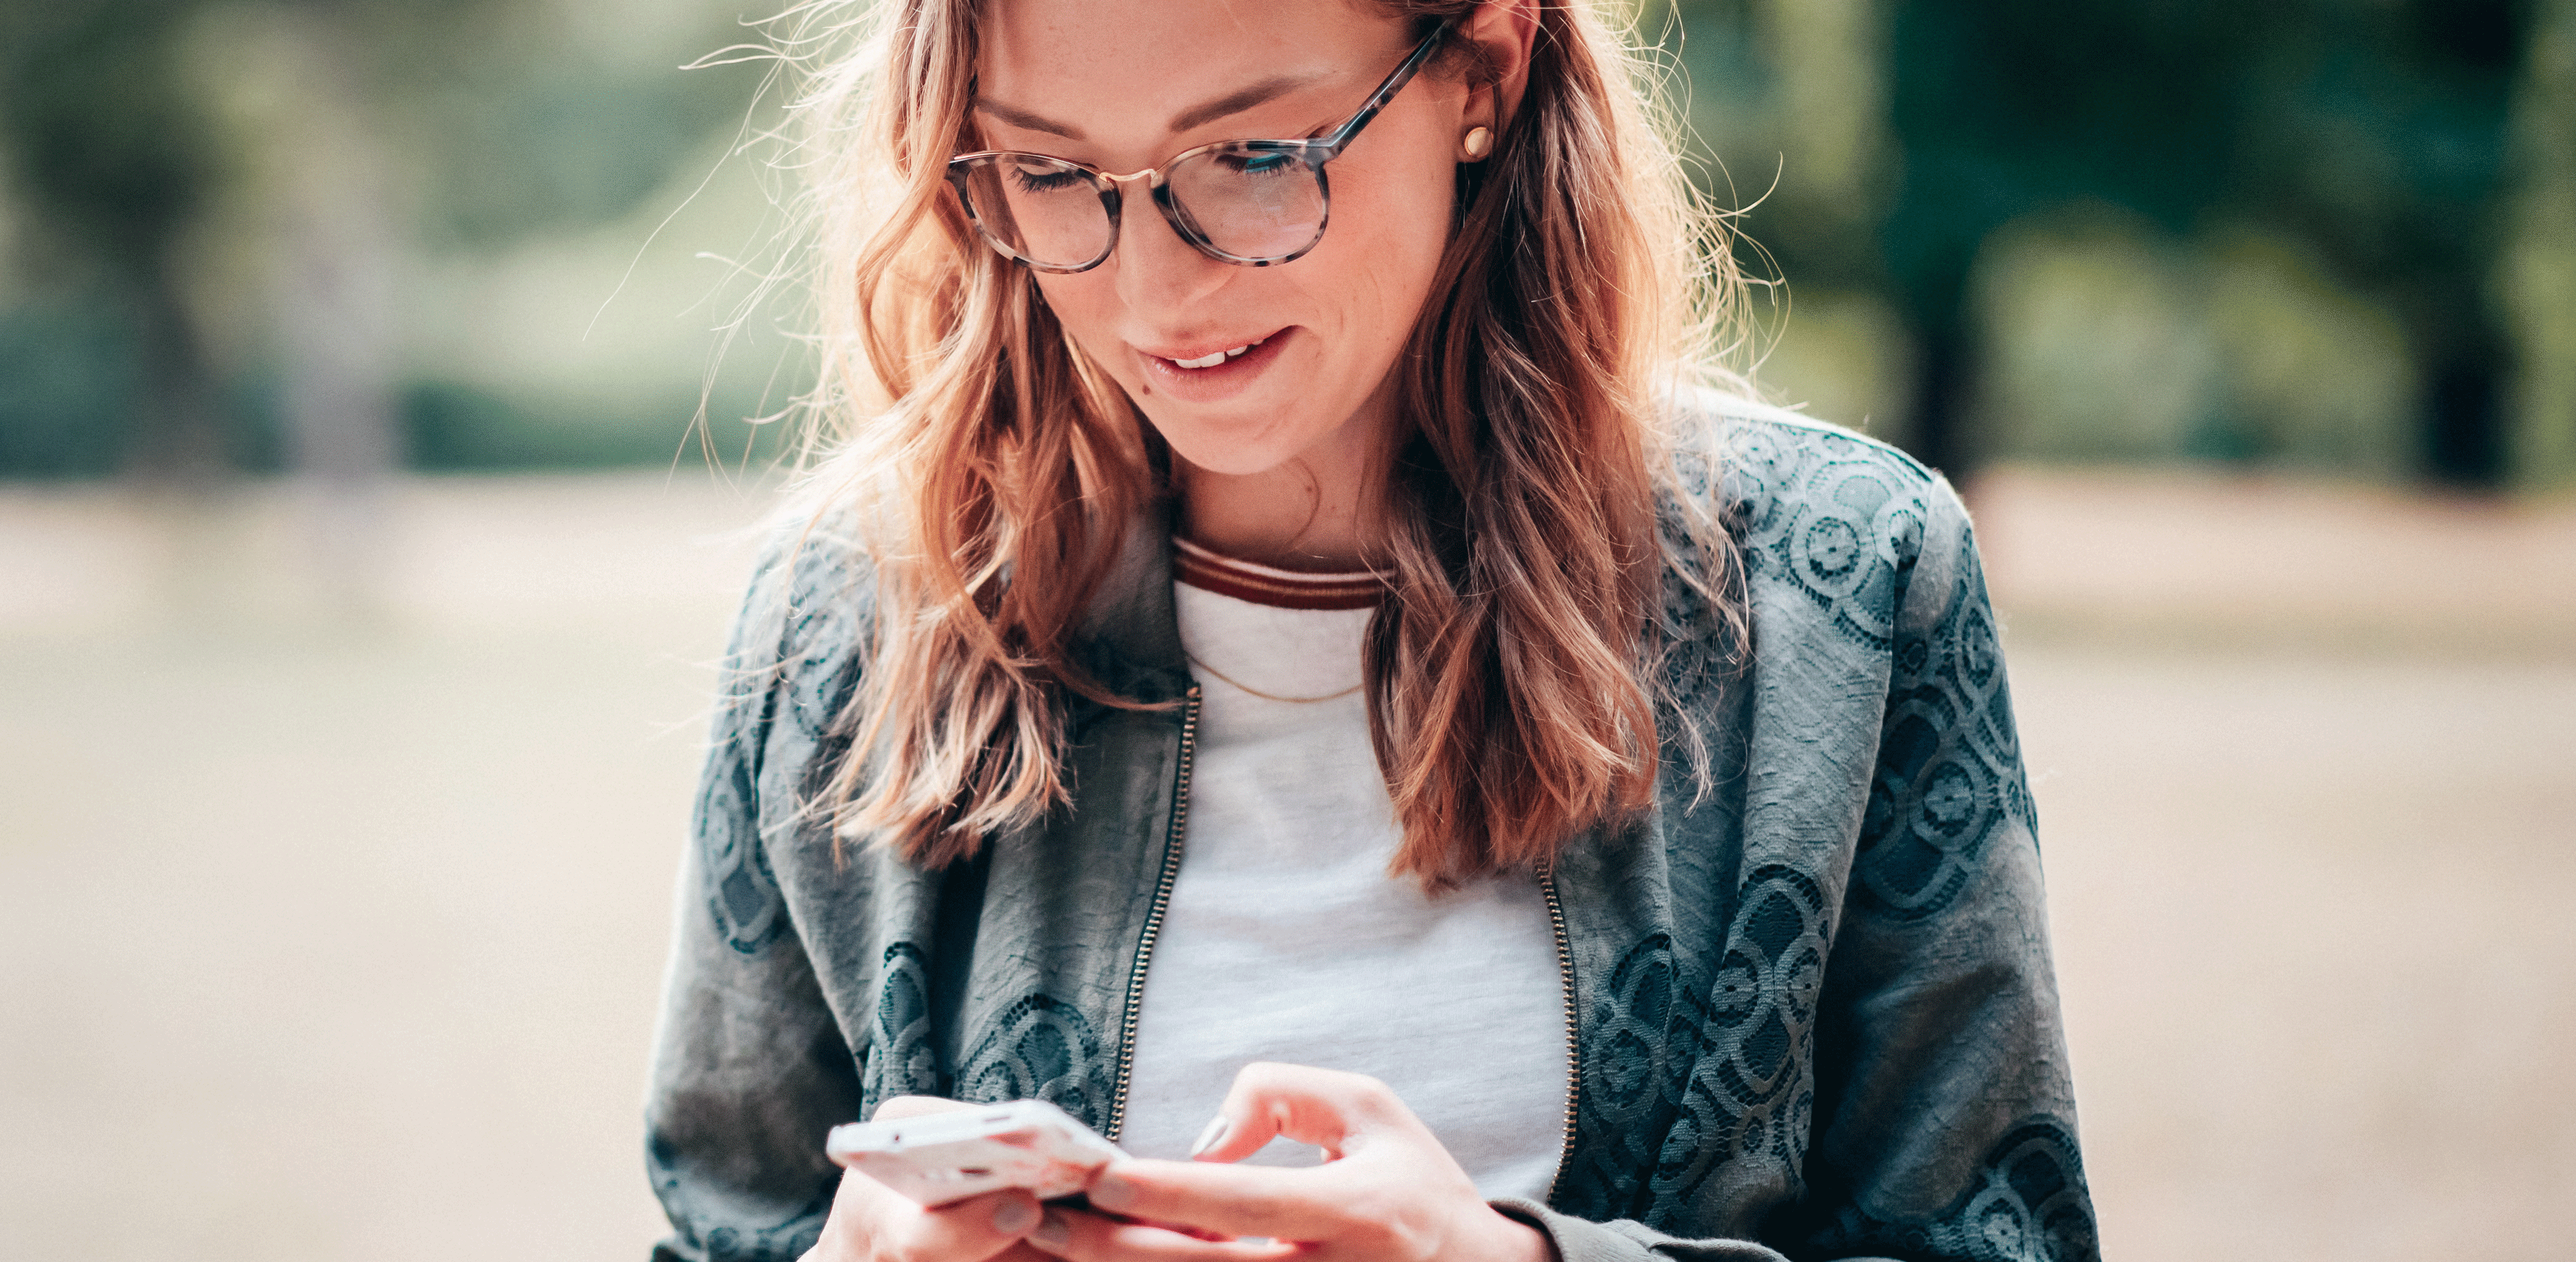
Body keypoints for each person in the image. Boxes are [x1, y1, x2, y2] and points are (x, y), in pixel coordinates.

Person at [643, 1, 2092, 1261]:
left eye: (1256, 157)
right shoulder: (840, 625)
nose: (1151, 289)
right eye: (1050, 171)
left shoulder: (1840, 597)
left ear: (1482, 67)